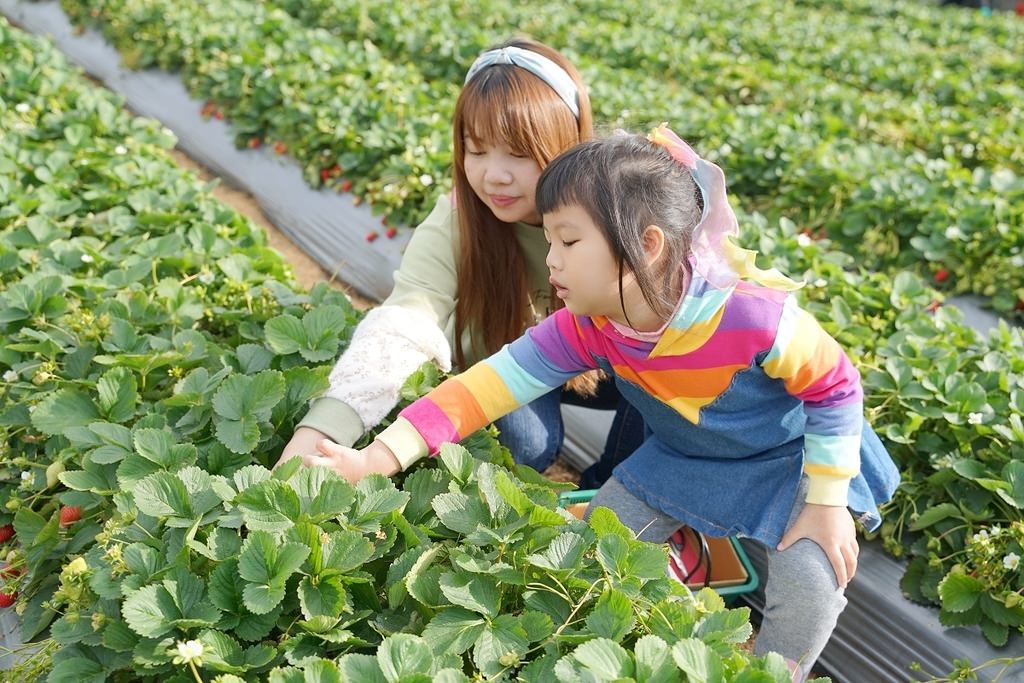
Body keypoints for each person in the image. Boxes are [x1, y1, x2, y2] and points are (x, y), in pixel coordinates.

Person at [301, 126, 900, 680]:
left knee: (809, 578)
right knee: (598, 544)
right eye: (550, 238)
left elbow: (838, 389)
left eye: (568, 240)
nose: (552, 259)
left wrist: (826, 504)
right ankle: (619, 629)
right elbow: (482, 388)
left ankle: (775, 672)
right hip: (684, 456)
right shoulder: (586, 325)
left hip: (790, 460)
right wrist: (374, 459)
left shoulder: (751, 317)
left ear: (646, 244)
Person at [277, 38, 644, 477]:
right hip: (514, 363)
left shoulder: (612, 216)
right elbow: (403, 324)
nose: (494, 175)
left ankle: (612, 494)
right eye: (477, 150)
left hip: (606, 362)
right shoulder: (459, 219)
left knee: (672, 385)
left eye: (520, 153)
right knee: (527, 448)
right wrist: (317, 438)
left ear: (568, 146)